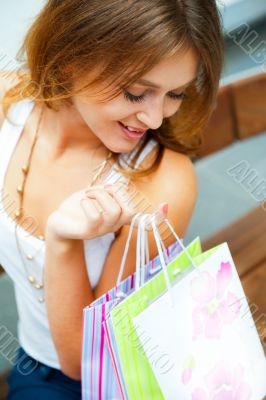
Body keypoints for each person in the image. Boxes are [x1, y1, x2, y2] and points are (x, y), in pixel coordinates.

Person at [0, 0, 224, 398]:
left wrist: (64, 242)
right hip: (32, 359)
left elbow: (86, 361)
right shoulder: (7, 103)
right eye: (137, 93)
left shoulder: (163, 180)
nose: (156, 119)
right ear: (70, 59)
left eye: (177, 94)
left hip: (99, 378)